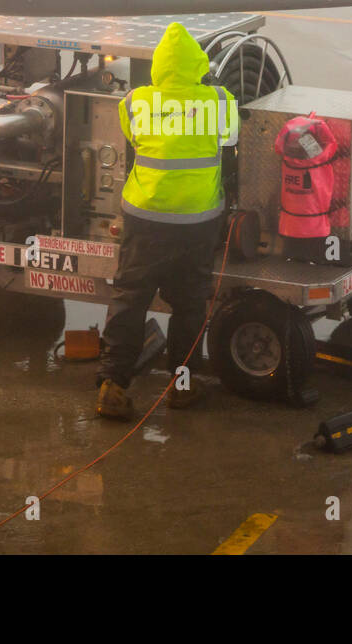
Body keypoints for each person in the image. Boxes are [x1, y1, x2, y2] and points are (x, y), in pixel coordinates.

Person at [96, 23, 239, 420]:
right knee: (191, 302)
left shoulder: (135, 102)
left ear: (158, 66)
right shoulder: (219, 100)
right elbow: (230, 141)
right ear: (198, 65)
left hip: (145, 217)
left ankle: (112, 385)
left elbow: (133, 137)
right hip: (198, 220)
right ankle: (182, 387)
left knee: (129, 297)